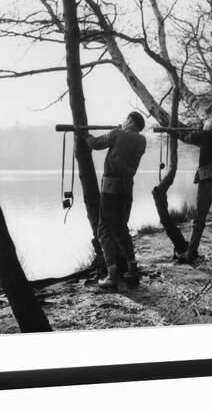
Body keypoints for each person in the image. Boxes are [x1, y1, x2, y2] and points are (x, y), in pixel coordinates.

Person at [79, 112, 146, 290]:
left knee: (104, 229)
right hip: (127, 188)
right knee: (122, 228)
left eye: (126, 119)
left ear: (130, 121)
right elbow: (124, 142)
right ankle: (132, 270)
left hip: (110, 188)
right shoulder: (142, 140)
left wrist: (84, 135)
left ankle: (112, 274)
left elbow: (95, 144)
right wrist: (118, 131)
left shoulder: (117, 133)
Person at [178, 118, 212, 262]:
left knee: (199, 220)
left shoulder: (205, 136)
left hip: (207, 181)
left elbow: (188, 138)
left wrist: (176, 134)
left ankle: (190, 254)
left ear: (208, 126)